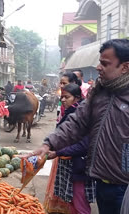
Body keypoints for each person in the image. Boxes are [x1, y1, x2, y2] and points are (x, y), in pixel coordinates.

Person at [30, 39, 129, 214]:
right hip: (102, 182)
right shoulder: (99, 92)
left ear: (125, 67)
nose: (98, 67)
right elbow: (77, 123)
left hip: (125, 188)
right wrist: (48, 144)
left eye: (105, 63)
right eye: (99, 62)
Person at [48, 83, 95, 214]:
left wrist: (58, 152)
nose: (63, 100)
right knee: (71, 201)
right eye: (62, 97)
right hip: (70, 164)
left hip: (79, 165)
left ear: (77, 98)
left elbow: (83, 146)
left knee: (80, 203)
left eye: (66, 97)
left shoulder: (82, 116)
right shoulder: (69, 112)